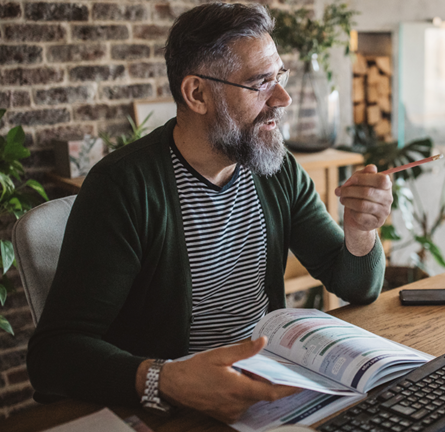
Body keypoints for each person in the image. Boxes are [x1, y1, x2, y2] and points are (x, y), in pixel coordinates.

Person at [27, 3, 392, 424]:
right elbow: (54, 353)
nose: (283, 98)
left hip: (265, 386)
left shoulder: (274, 166)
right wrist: (165, 380)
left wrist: (360, 231)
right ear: (197, 93)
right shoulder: (123, 187)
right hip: (171, 408)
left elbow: (355, 286)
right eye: (260, 83)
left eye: (280, 76)